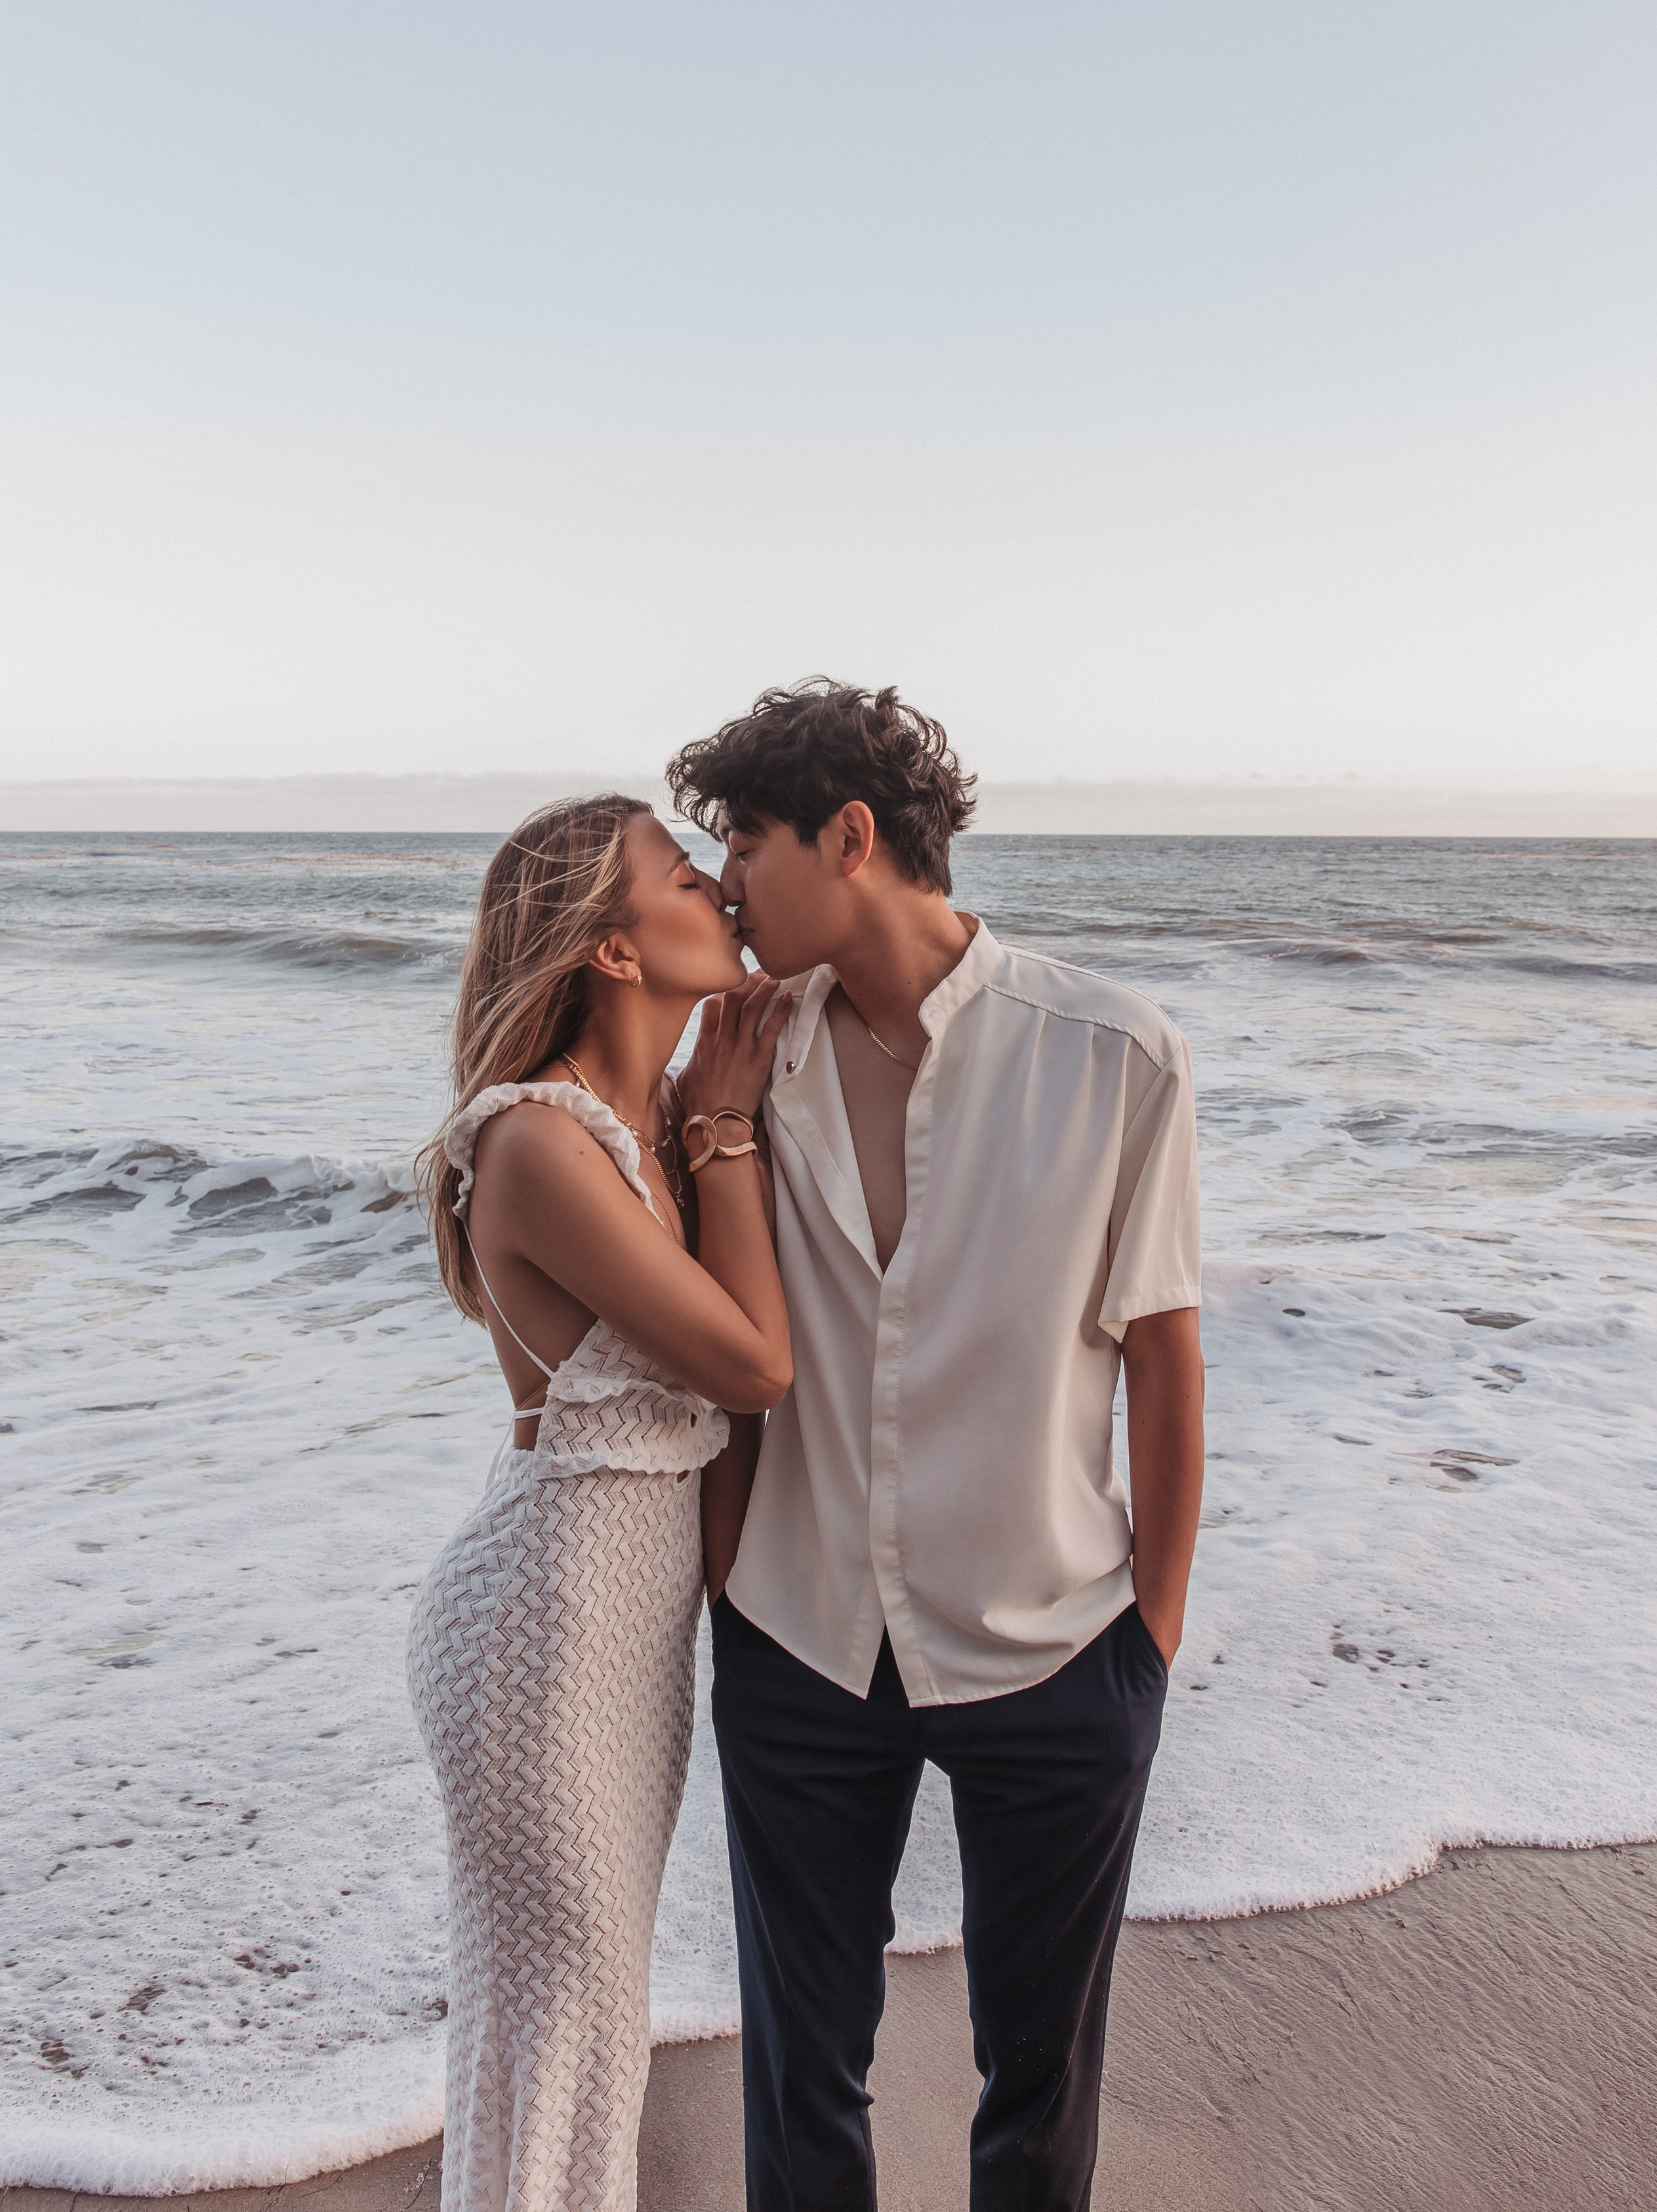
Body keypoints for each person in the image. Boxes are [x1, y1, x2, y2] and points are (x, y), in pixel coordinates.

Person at [666, 684, 1206, 2212]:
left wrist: (1146, 1646)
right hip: (796, 1637)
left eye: (746, 847)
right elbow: (716, 1350)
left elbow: (1164, 1359)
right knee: (799, 2080)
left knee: (1036, 2084)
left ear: (850, 839)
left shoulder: (1112, 1054)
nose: (723, 889)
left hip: (1052, 1645)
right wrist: (728, 1585)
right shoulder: (738, 1067)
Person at [406, 794, 791, 2212]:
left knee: (574, 2010)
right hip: (537, 1631)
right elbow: (753, 1367)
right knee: (562, 2013)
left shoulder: (653, 1125)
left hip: (620, 1631)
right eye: (684, 877)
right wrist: (732, 1131)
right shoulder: (536, 1143)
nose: (719, 892)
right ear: (617, 952)